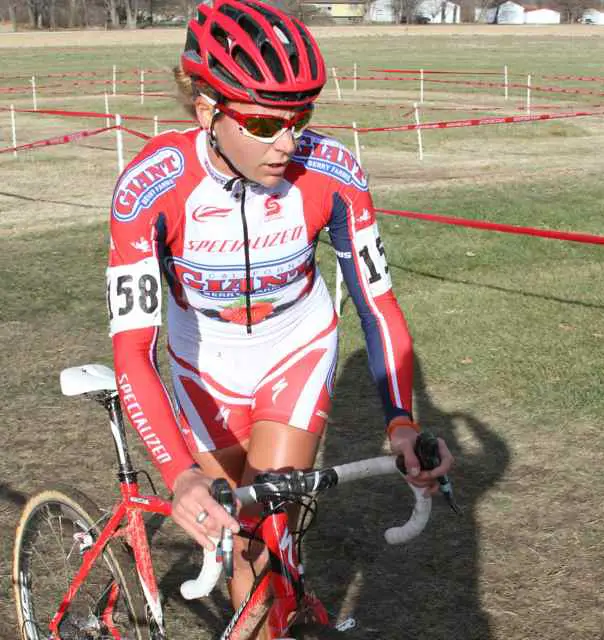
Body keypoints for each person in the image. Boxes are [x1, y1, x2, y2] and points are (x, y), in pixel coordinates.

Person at [107, 0, 454, 635]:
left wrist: (402, 424)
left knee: (271, 530)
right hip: (201, 364)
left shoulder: (332, 171)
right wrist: (178, 474)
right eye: (266, 122)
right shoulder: (150, 186)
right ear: (209, 109)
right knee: (235, 535)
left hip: (295, 350)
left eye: (301, 118)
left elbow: (377, 303)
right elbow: (133, 351)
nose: (288, 142)